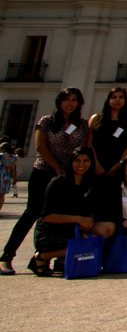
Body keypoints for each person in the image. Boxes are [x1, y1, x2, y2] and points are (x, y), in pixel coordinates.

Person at [0, 87, 90, 275]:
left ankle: (47, 259)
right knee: (32, 212)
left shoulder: (82, 124)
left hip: (68, 178)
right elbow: (40, 146)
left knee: (63, 217)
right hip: (43, 172)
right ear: (59, 101)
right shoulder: (47, 121)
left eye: (74, 99)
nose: (70, 103)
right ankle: (6, 257)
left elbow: (84, 149)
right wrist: (56, 167)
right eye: (66, 99)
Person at [29, 147, 102, 276]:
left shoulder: (90, 183)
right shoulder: (58, 182)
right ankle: (42, 256)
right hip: (49, 232)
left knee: (98, 238)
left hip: (72, 228)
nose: (81, 164)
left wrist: (89, 219)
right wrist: (79, 219)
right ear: (70, 162)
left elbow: (90, 208)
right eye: (77, 160)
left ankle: (62, 259)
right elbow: (46, 216)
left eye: (86, 160)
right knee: (86, 244)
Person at [88, 87, 127, 178]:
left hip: (119, 166)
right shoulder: (96, 118)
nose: (117, 100)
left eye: (121, 97)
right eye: (114, 97)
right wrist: (96, 165)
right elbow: (88, 143)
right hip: (96, 165)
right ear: (108, 100)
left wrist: (120, 164)